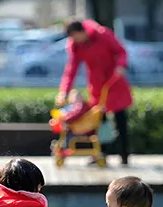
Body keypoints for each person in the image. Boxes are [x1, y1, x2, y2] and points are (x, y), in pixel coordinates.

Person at [56, 19, 134, 165]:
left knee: (120, 119)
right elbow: (71, 69)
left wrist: (121, 66)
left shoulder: (102, 34)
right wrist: (64, 91)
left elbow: (121, 51)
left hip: (114, 81)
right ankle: (100, 153)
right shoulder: (75, 45)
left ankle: (124, 154)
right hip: (97, 85)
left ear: (81, 31)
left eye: (75, 36)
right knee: (98, 120)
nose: (75, 40)